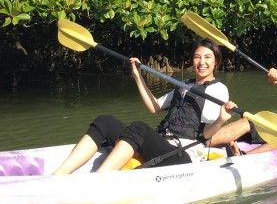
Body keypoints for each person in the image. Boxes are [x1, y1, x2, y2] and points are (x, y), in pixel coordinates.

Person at [54, 39, 235, 174]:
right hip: (164, 143)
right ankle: (59, 175)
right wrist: (137, 76)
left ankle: (100, 180)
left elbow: (206, 134)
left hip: (185, 154)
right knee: (105, 122)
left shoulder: (218, 89)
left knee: (139, 128)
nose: (201, 62)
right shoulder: (184, 85)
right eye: (197, 57)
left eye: (207, 58)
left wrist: (221, 119)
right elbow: (154, 107)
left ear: (216, 62)